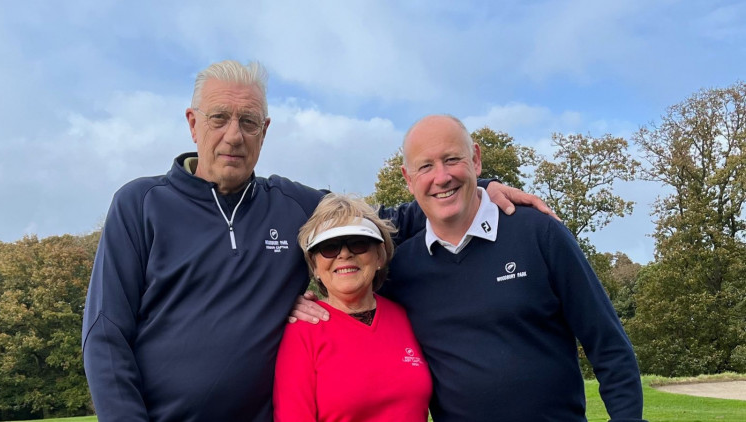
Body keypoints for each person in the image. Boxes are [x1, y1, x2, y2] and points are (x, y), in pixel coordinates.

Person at [81, 60, 552, 422]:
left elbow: (380, 221)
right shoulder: (140, 204)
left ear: (265, 131)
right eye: (219, 118)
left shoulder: (289, 202)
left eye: (249, 122)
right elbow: (105, 336)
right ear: (192, 122)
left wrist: (478, 188)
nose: (233, 135)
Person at [383, 115, 646, 421]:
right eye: (425, 166)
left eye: (452, 159)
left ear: (476, 160)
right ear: (408, 178)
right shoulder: (400, 270)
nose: (441, 177)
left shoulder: (540, 234)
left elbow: (609, 346)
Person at [273, 194, 432, 421]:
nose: (344, 254)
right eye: (329, 247)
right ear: (315, 266)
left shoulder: (405, 315)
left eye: (358, 243)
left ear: (379, 256)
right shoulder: (303, 331)